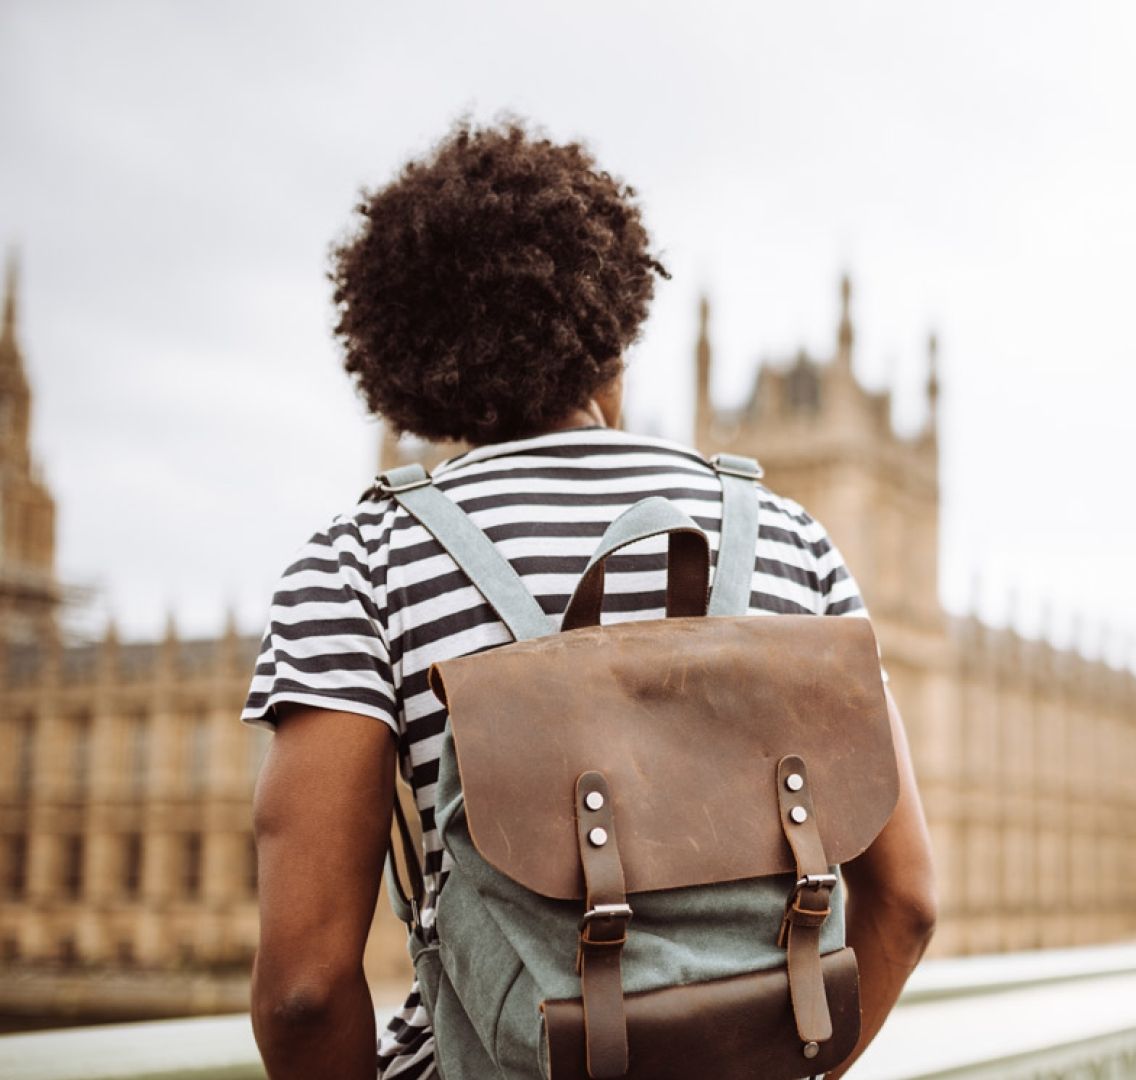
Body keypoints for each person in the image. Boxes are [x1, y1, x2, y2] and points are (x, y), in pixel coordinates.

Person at [243, 117, 939, 1080]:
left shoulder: (362, 558)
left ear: (404, 371)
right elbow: (907, 901)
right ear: (613, 342)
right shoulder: (788, 535)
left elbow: (304, 991)